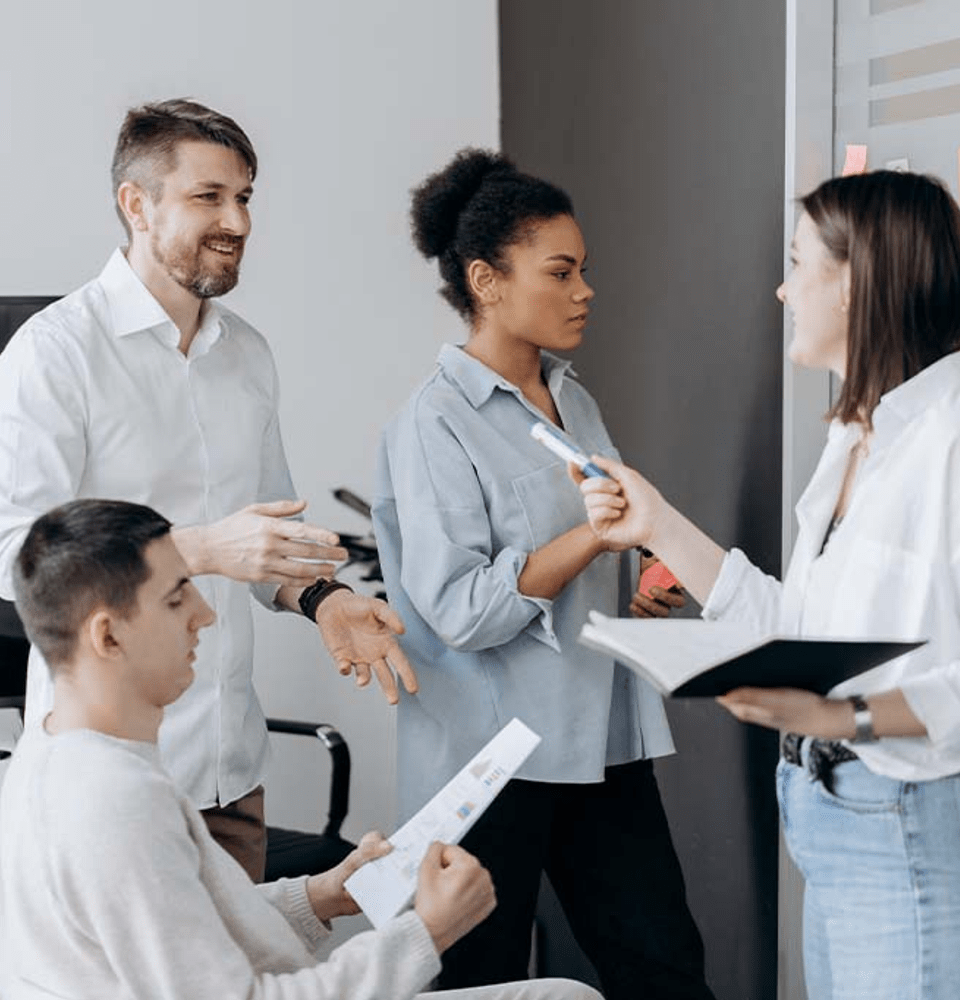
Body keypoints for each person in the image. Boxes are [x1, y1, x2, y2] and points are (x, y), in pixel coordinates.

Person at [0, 99, 417, 881]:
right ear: (137, 204)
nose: (238, 221)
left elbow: (267, 548)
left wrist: (326, 600)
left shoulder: (247, 355)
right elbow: (16, 557)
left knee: (252, 955)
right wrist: (197, 549)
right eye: (209, 197)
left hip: (232, 773)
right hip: (111, 782)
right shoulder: (54, 354)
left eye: (245, 197)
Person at [578, 170, 960, 999]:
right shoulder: (857, 437)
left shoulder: (951, 436)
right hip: (827, 805)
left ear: (855, 281)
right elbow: (801, 630)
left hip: (905, 811)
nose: (782, 291)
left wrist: (843, 716)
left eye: (796, 263)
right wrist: (658, 524)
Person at [0, 498, 600, 1000]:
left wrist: (322, 895)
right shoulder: (115, 801)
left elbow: (186, 925)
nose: (205, 615)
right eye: (178, 596)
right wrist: (426, 933)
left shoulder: (50, 754)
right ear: (108, 635)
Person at [372, 149, 714, 1000]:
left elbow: (592, 547)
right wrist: (594, 541)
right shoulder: (433, 424)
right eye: (560, 272)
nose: (584, 290)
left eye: (583, 270)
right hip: (489, 761)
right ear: (486, 281)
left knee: (664, 967)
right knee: (480, 983)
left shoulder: (575, 401)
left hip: (604, 740)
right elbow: (462, 611)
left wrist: (638, 578)